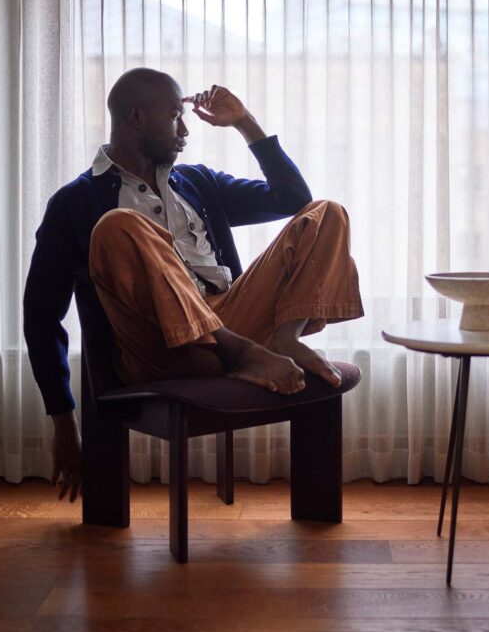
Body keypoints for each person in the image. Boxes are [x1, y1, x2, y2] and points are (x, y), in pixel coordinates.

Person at [23, 68, 364, 503]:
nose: (185, 131)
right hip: (159, 345)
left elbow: (292, 199)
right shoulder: (77, 202)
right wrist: (63, 422)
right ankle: (245, 351)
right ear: (135, 117)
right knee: (120, 225)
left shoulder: (198, 182)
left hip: (232, 322)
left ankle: (280, 339)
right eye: (174, 117)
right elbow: (41, 314)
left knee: (326, 213)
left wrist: (245, 122)